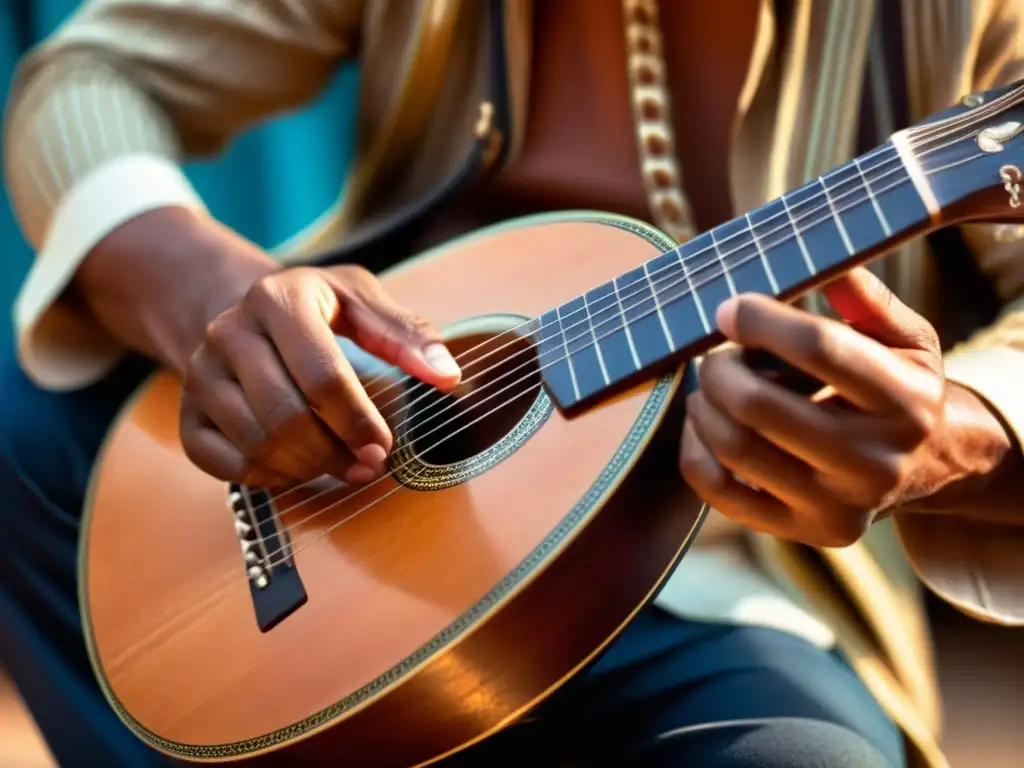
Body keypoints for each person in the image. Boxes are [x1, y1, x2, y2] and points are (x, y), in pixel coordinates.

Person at [2, 0, 1023, 766]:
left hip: (730, 586)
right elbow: (91, 79)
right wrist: (220, 295)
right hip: (351, 506)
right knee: (30, 440)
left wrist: (960, 433)